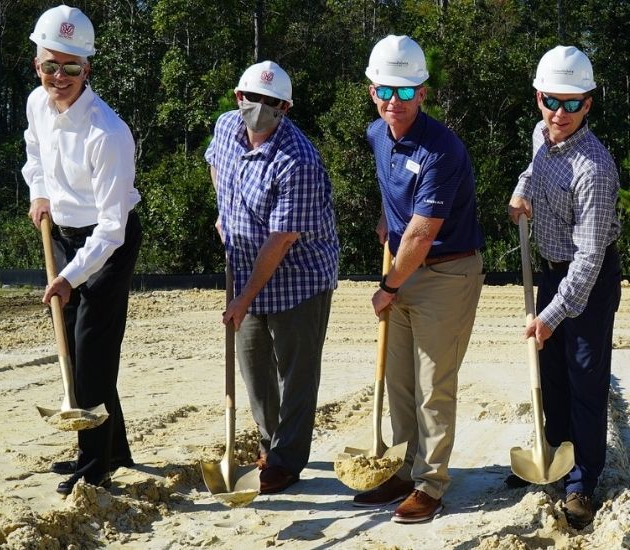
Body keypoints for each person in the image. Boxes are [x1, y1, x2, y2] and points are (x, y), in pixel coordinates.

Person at [352, 34, 485, 524]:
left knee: (433, 385)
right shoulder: (376, 133)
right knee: (400, 383)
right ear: (372, 91)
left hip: (446, 272)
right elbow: (393, 192)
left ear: (422, 93)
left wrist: (387, 287)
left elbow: (424, 232)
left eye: (406, 91)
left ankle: (430, 484)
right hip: (403, 265)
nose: (395, 100)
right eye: (386, 90)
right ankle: (405, 469)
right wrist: (386, 218)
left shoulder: (442, 150)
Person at [205, 60, 340, 495]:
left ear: (286, 108)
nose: (260, 108)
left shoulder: (298, 160)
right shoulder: (226, 127)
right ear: (238, 97)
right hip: (246, 265)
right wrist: (224, 211)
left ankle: (286, 461)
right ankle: (269, 445)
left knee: (296, 373)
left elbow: (280, 241)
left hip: (300, 276)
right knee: (254, 368)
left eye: (272, 102)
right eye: (252, 98)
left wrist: (243, 299)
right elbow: (215, 163)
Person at [22, 5, 142, 496]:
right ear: (37, 64)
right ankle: (115, 448)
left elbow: (112, 228)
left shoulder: (107, 133)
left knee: (92, 349)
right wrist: (39, 193)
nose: (60, 77)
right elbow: (34, 152)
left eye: (70, 67)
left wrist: (70, 277)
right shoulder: (36, 103)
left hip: (109, 242)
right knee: (76, 348)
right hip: (64, 233)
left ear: (86, 69)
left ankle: (94, 466)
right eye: (51, 65)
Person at [506, 46, 622, 529]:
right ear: (538, 98)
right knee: (550, 372)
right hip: (552, 270)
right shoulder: (542, 134)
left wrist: (551, 316)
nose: (560, 112)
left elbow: (590, 259)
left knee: (584, 383)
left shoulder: (594, 169)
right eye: (551, 101)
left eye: (572, 103)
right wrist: (522, 191)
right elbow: (533, 169)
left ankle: (582, 481)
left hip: (589, 281)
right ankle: (551, 452)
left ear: (587, 104)